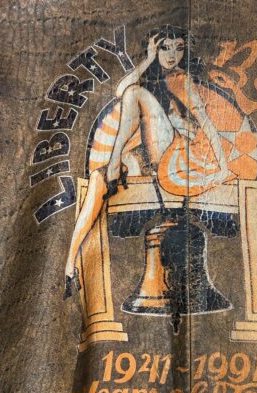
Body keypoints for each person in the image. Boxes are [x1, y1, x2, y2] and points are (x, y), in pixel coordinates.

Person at [63, 24, 232, 298]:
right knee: (96, 180)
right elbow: (120, 90)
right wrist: (148, 59)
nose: (172, 55)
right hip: (144, 156)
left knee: (136, 94)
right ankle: (70, 266)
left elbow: (206, 123)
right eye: (165, 47)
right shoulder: (148, 76)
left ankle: (114, 164)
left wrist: (223, 166)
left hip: (175, 152)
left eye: (179, 48)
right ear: (154, 49)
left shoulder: (181, 80)